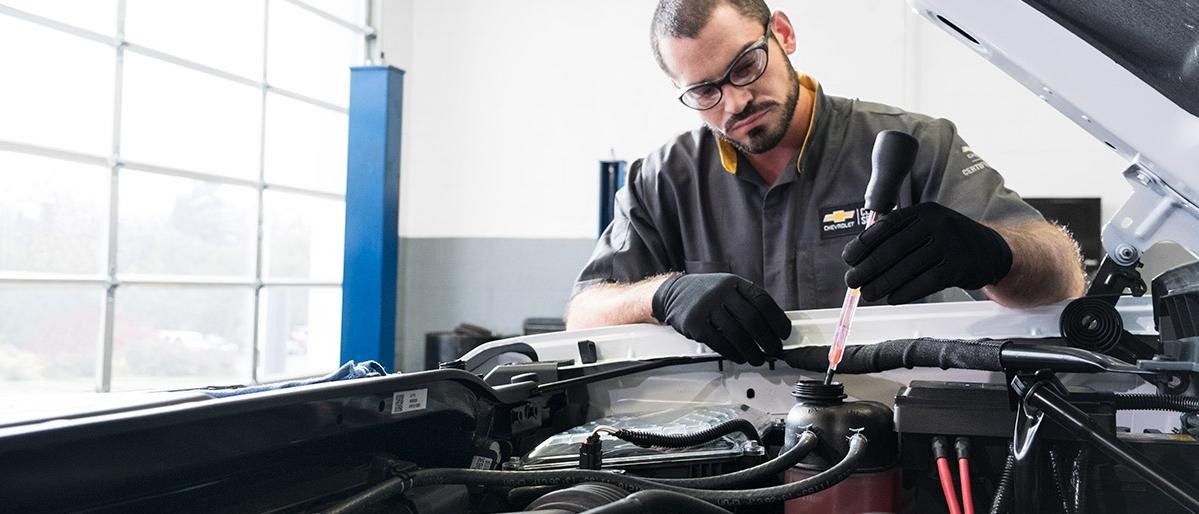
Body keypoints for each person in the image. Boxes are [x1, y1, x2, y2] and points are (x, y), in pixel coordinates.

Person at [565, 0, 1085, 366]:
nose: (734, 102)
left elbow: (1063, 278)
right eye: (704, 91)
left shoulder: (918, 142)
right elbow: (583, 316)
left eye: (746, 66)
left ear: (783, 34)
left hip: (907, 439)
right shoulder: (662, 180)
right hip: (735, 455)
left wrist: (996, 253)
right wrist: (664, 294)